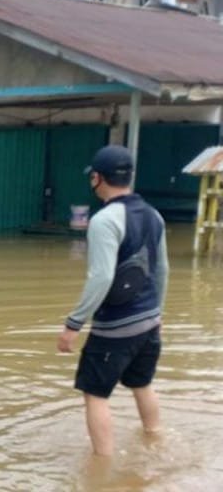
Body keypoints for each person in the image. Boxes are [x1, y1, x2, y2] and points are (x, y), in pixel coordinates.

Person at [58, 145, 169, 456]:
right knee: (143, 384)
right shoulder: (154, 214)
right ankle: (156, 438)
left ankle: (103, 467)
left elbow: (102, 277)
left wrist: (74, 323)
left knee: (95, 394)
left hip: (115, 328)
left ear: (97, 178)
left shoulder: (105, 220)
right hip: (149, 323)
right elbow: (162, 269)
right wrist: (157, 312)